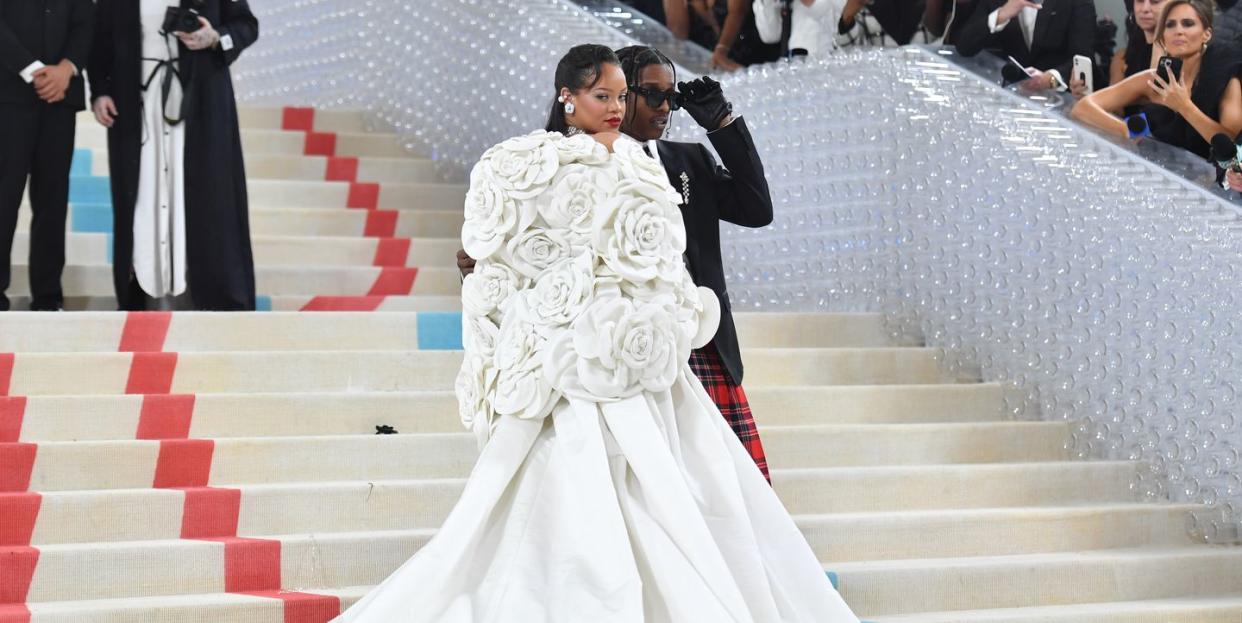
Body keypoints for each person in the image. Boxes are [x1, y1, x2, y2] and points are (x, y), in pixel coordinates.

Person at [338, 43, 859, 623]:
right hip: (581, 359)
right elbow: (513, 245)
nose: (655, 106)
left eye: (663, 95)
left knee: (714, 493)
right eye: (638, 95)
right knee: (589, 495)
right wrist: (491, 269)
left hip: (670, 351)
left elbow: (753, 209)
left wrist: (725, 123)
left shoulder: (677, 161)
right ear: (573, 98)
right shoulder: (539, 163)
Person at [615, 44, 774, 481]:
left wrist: (721, 124)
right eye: (653, 95)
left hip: (701, 341)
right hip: (634, 344)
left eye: (673, 97)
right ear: (619, 94)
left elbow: (757, 209)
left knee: (735, 487)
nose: (666, 107)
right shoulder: (594, 165)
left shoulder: (690, 159)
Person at [88, 0, 259, 311]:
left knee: (201, 192)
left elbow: (246, 25)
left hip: (200, 101)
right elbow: (100, 38)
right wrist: (100, 90)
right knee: (143, 196)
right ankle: (145, 294)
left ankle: (208, 294)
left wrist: (216, 37)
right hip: (137, 103)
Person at [0, 0, 95, 311]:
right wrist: (32, 69)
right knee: (4, 197)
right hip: (8, 95)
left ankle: (48, 297)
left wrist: (66, 69)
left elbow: (86, 22)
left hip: (59, 98)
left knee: (53, 201)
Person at [1072, 0, 1242, 160]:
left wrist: (1184, 106)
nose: (1178, 31)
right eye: (1170, 25)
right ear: (1163, 36)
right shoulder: (1154, 78)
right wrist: (1126, 129)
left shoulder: (1226, 79)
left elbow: (1233, 146)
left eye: (1188, 24)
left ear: (1207, 34)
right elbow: (1083, 107)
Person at [955, 0, 1097, 92]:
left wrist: (1052, 79)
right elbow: (964, 46)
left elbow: (1083, 58)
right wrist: (1001, 15)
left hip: (1060, 99)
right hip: (1010, 93)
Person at [1111, 0, 1168, 85]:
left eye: (1155, 1)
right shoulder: (1121, 58)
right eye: (1140, 1)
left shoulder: (1183, 54)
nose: (1145, 9)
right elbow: (1112, 97)